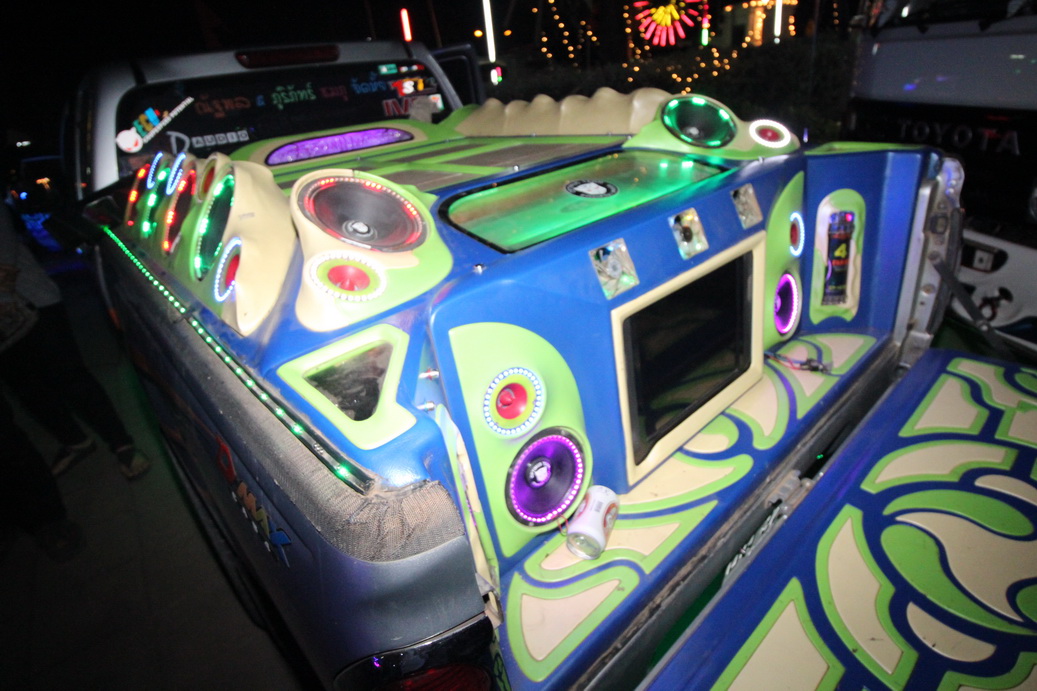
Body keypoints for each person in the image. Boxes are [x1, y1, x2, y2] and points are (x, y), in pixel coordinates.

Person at [0, 200, 150, 479]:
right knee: (26, 389)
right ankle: (74, 440)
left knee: (69, 375)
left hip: (34, 301)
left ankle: (122, 444)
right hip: (7, 329)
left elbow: (5, 247)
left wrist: (4, 296)